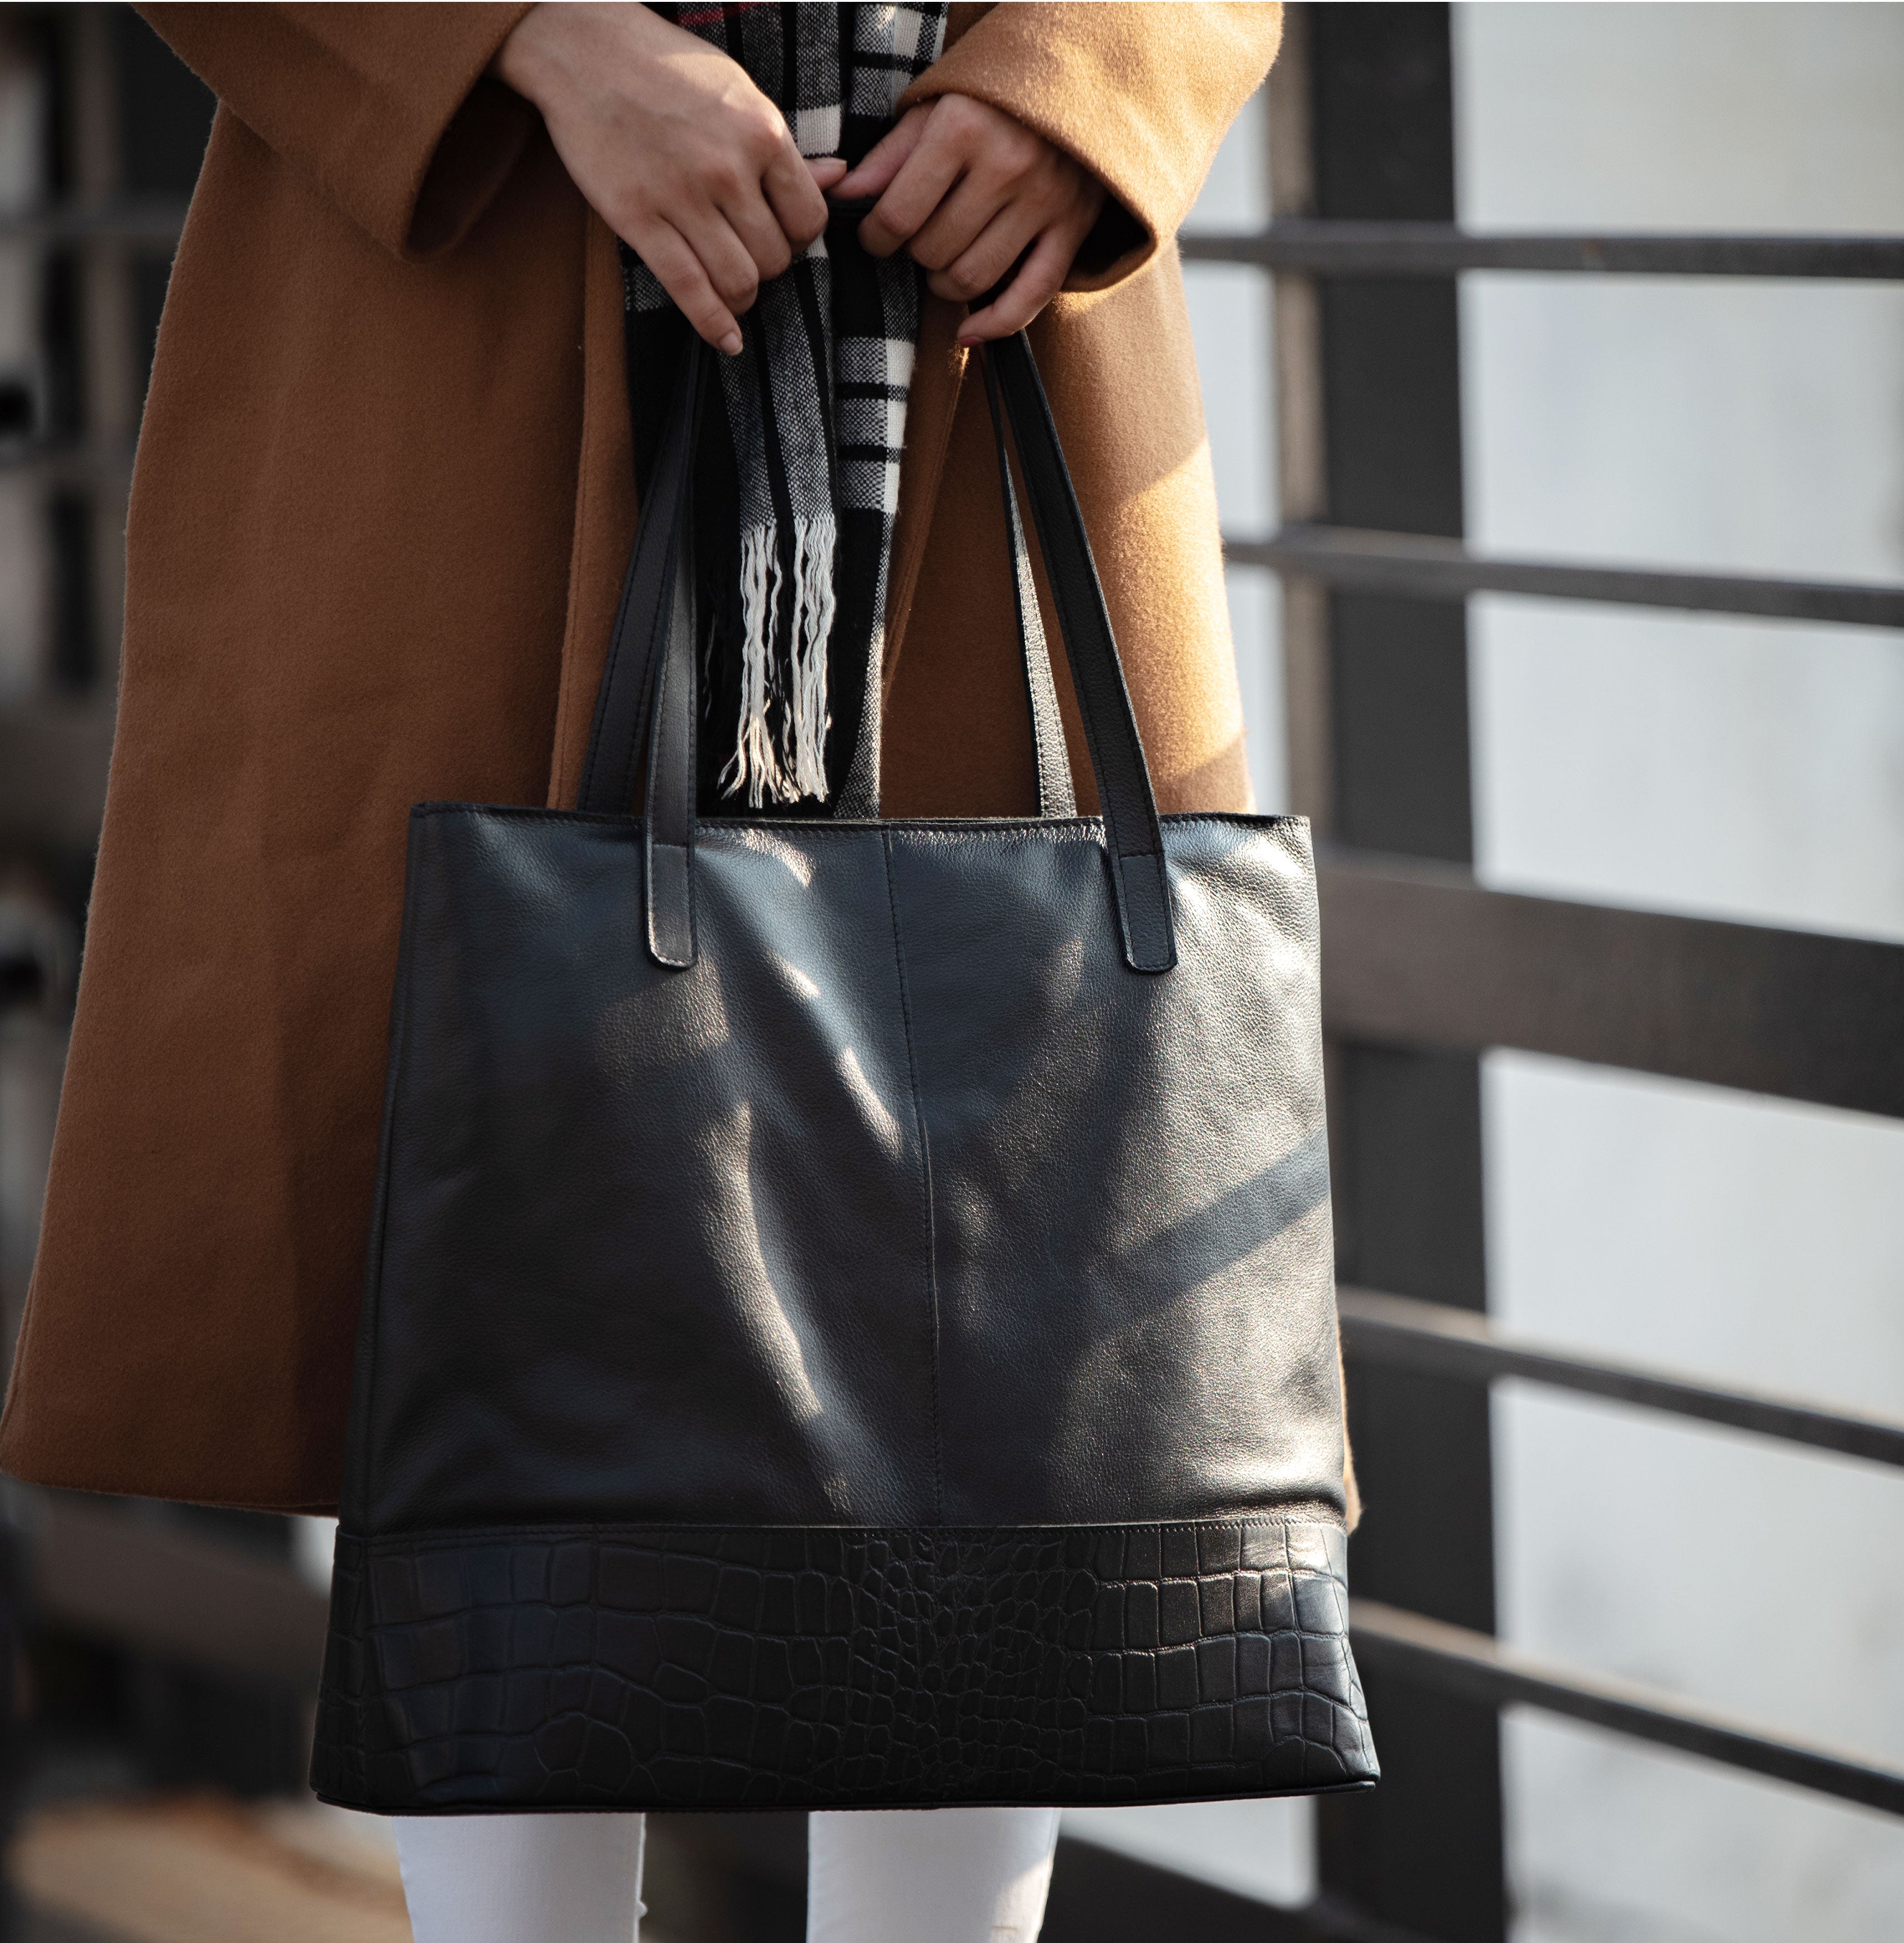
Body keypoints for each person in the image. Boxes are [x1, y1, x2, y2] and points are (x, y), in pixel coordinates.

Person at [0, 4, 1285, 1938]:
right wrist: (526, 41)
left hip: (981, 298)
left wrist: (1083, 76)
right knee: (476, 1268)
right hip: (463, 310)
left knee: (1019, 1271)